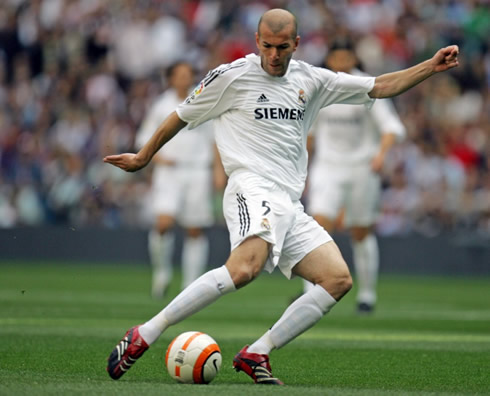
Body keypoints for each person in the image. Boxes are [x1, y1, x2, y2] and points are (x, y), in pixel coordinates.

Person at [103, 8, 459, 385]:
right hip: (250, 186)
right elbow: (181, 114)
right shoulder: (231, 76)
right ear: (257, 41)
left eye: (283, 47)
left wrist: (429, 67)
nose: (274, 55)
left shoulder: (313, 80)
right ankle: (146, 333)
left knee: (337, 280)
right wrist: (144, 155)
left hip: (289, 201)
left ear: (297, 44)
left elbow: (379, 86)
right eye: (268, 46)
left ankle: (258, 351)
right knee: (244, 268)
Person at [303, 39, 406, 314]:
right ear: (330, 60)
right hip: (328, 166)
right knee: (318, 225)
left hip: (362, 167)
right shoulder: (321, 86)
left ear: (353, 59)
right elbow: (308, 132)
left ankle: (367, 295)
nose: (341, 63)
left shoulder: (367, 86)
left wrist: (381, 155)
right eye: (336, 58)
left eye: (346, 57)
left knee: (360, 231)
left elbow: (391, 127)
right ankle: (309, 293)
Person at [135, 62, 222, 298]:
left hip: (197, 171)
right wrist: (157, 158)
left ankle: (190, 286)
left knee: (195, 229)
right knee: (163, 223)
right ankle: (161, 273)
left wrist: (217, 171)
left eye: (188, 74)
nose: (184, 79)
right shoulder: (161, 105)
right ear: (170, 78)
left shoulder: (203, 100)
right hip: (169, 172)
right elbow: (144, 138)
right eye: (179, 75)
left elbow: (214, 139)